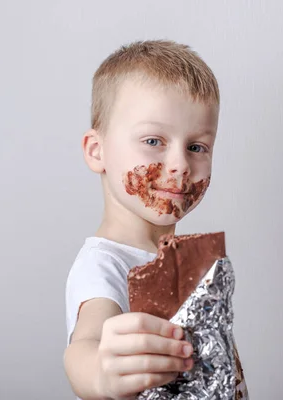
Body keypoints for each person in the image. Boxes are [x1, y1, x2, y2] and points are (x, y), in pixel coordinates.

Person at [64, 40, 222, 400]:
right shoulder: (104, 264)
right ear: (96, 151)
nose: (180, 164)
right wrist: (101, 373)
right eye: (154, 140)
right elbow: (85, 345)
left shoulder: (181, 262)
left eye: (197, 147)